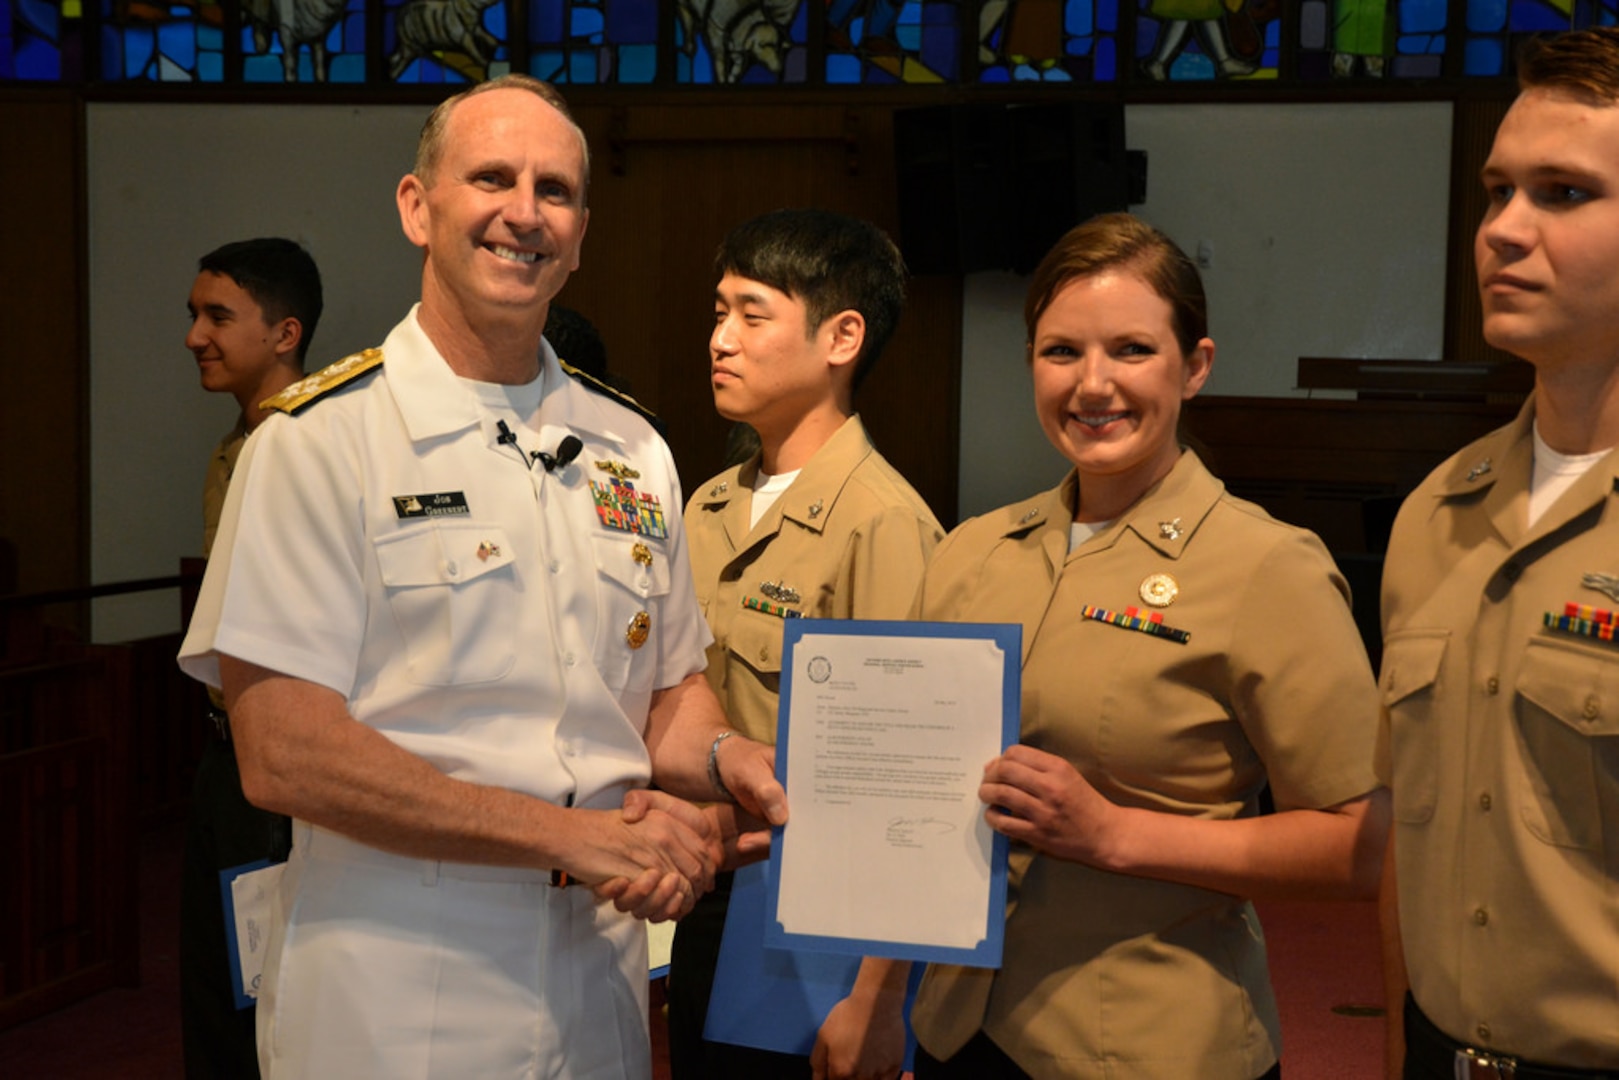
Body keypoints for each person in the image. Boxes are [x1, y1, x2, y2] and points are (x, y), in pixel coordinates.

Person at [177, 74, 786, 1079]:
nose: (523, 212)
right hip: (396, 981)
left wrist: (729, 765)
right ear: (418, 207)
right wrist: (571, 836)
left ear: (580, 231)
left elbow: (664, 692)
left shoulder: (630, 446)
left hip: (596, 976)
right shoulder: (322, 444)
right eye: (491, 178)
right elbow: (283, 752)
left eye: (554, 190)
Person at [905, 213, 1389, 1080]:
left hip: (1153, 1042)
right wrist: (874, 1001)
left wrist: (1113, 833)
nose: (1093, 386)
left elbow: (1358, 845)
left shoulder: (1266, 566)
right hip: (962, 1029)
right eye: (1060, 353)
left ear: (1194, 366)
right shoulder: (970, 551)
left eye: (1130, 350)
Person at [1378, 27, 1619, 1079]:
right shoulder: (1437, 510)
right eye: (1494, 192)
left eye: (1560, 194)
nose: (1501, 232)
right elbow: (1402, 828)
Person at [670, 208, 943, 1080]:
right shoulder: (707, 505)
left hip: (817, 919)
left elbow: (910, 787)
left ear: (842, 337)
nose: (721, 338)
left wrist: (879, 995)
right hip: (703, 891)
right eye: (718, 312)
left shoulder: (883, 522)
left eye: (752, 315)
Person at [180, 237, 320, 1079]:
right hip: (226, 748)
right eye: (193, 315)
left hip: (293, 762)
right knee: (217, 980)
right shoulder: (237, 443)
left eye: (217, 316)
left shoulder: (316, 442)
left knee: (278, 991)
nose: (196, 334)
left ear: (284, 332)